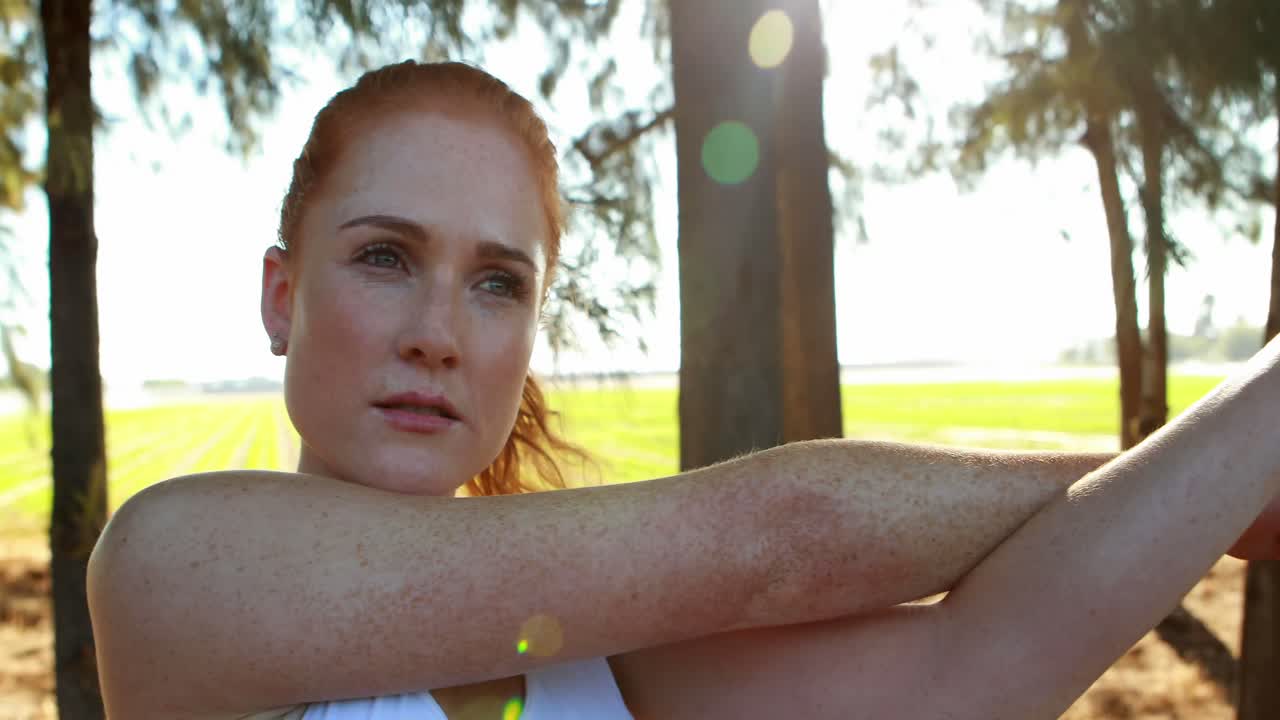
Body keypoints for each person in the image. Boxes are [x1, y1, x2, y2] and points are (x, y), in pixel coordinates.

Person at [86, 60, 1280, 720]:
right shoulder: (173, 573)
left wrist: (1233, 448)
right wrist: (1189, 489)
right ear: (281, 297)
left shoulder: (592, 662)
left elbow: (974, 664)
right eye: (386, 257)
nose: (440, 333)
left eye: (498, 283)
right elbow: (781, 542)